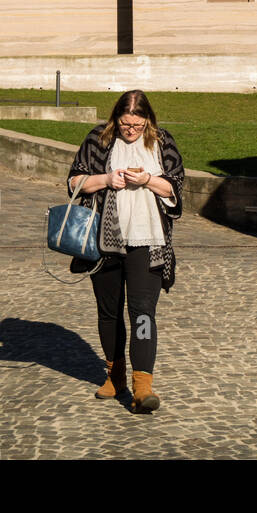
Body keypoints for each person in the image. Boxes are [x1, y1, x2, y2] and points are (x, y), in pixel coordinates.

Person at [67, 90, 184, 413]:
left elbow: (174, 187)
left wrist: (148, 179)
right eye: (124, 123)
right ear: (115, 118)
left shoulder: (162, 142)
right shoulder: (98, 139)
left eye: (136, 123)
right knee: (109, 310)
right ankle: (115, 374)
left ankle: (142, 386)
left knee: (143, 311)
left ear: (148, 120)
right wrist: (106, 179)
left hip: (149, 241)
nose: (130, 130)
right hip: (104, 242)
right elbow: (74, 181)